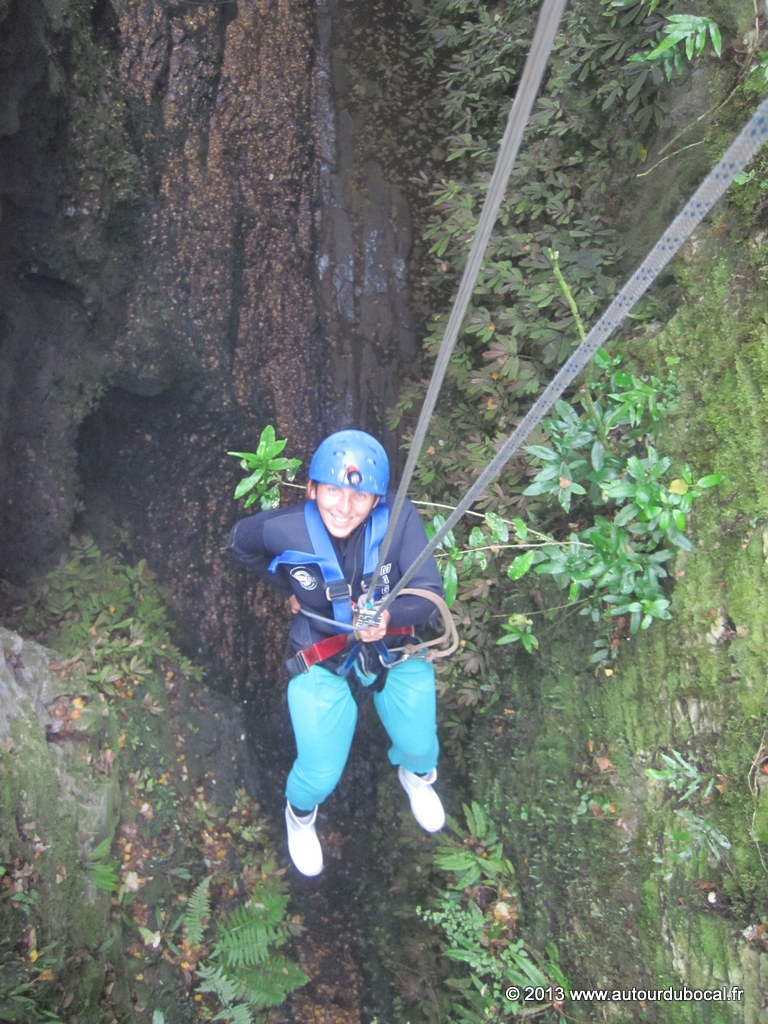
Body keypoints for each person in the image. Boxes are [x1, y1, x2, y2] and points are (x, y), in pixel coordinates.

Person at [227, 429, 446, 876]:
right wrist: (288, 586)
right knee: (319, 771)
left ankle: (416, 776)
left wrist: (388, 616)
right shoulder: (283, 529)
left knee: (421, 744)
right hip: (321, 652)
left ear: (376, 500)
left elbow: (429, 594)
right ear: (312, 489)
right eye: (333, 491)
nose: (345, 507)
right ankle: (299, 816)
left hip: (392, 645)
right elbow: (240, 544)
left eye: (360, 496)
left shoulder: (399, 520)